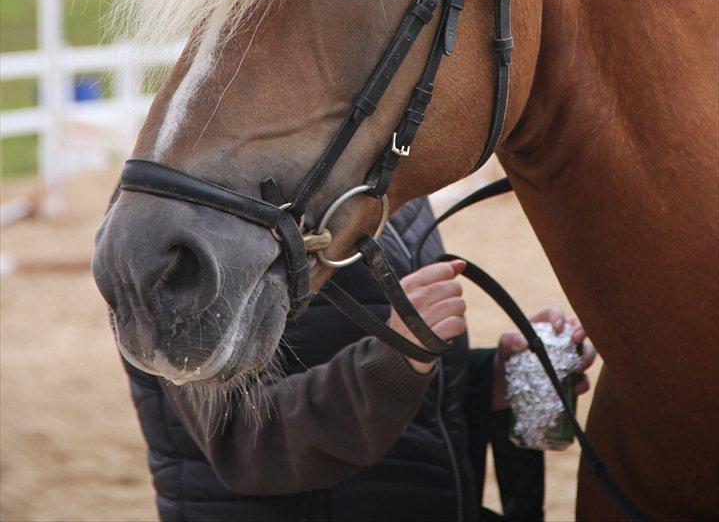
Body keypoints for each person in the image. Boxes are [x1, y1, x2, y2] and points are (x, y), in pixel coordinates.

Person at [124, 196, 595, 521]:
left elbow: (411, 409)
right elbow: (245, 439)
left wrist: (490, 380)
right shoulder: (177, 225)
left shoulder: (383, 188)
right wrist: (397, 356)